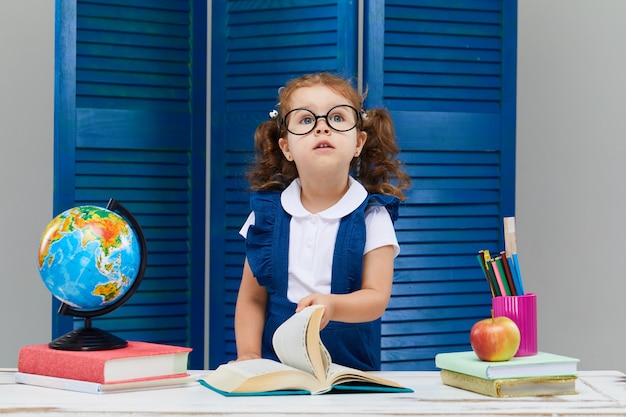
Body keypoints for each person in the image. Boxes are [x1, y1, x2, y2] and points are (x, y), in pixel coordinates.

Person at [234, 72, 410, 371]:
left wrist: (334, 306)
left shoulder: (372, 216)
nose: (322, 127)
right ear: (286, 147)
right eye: (305, 120)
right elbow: (251, 299)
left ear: (359, 142)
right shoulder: (265, 216)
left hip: (350, 372)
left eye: (337, 118)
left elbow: (376, 298)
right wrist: (249, 356)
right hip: (276, 370)